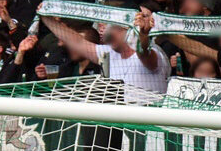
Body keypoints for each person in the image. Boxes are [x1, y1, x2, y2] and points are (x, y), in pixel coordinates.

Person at [42, 7, 170, 93]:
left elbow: (143, 52)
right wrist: (45, 17)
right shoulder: (108, 53)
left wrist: (143, 35)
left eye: (118, 29)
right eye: (111, 27)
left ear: (132, 32)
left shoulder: (154, 52)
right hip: (121, 125)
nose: (111, 32)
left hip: (149, 125)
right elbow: (76, 41)